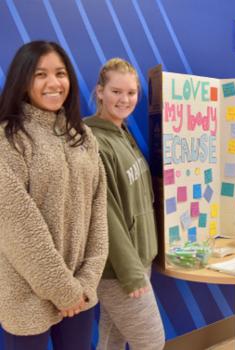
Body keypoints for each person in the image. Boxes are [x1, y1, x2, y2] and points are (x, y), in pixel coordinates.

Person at [0, 41, 108, 349]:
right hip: (26, 298)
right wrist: (64, 291)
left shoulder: (83, 136)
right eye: (40, 74)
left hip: (80, 292)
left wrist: (85, 284)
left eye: (60, 73)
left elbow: (98, 214)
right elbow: (18, 226)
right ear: (23, 81)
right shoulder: (8, 138)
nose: (53, 83)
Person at [84, 58, 165, 350]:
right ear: (100, 92)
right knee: (152, 341)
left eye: (131, 93)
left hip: (138, 258)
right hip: (118, 268)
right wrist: (131, 273)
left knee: (112, 338)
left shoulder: (122, 132)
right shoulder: (92, 140)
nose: (125, 99)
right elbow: (105, 214)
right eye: (116, 91)